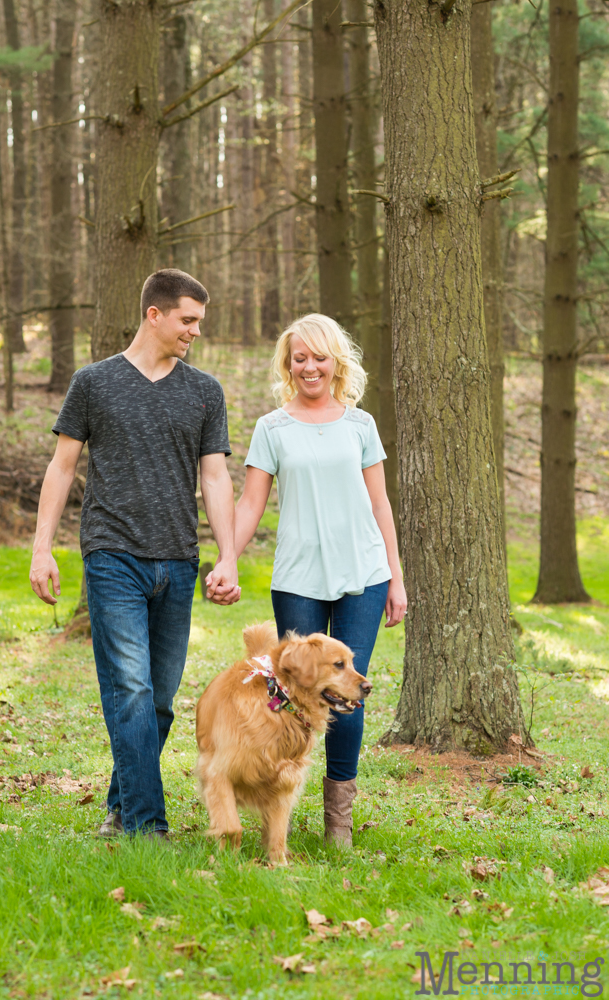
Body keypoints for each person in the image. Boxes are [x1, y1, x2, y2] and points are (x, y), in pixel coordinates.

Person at [29, 268, 241, 840]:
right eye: (187, 320)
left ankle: (122, 807)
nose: (195, 331)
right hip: (111, 553)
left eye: (199, 321)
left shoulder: (203, 391)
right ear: (155, 314)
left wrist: (227, 557)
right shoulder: (94, 383)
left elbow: (216, 478)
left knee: (161, 701)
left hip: (177, 558)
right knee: (132, 690)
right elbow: (63, 466)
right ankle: (147, 827)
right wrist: (41, 547)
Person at [234, 314, 407, 847]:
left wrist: (396, 579)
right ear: (288, 365)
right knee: (294, 693)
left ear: (337, 363)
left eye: (319, 357)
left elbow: (380, 504)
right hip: (298, 579)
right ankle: (278, 804)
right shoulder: (272, 428)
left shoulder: (360, 425)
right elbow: (251, 503)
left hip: (364, 574)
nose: (310, 366)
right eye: (299, 357)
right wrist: (226, 560)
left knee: (346, 693)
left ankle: (339, 824)